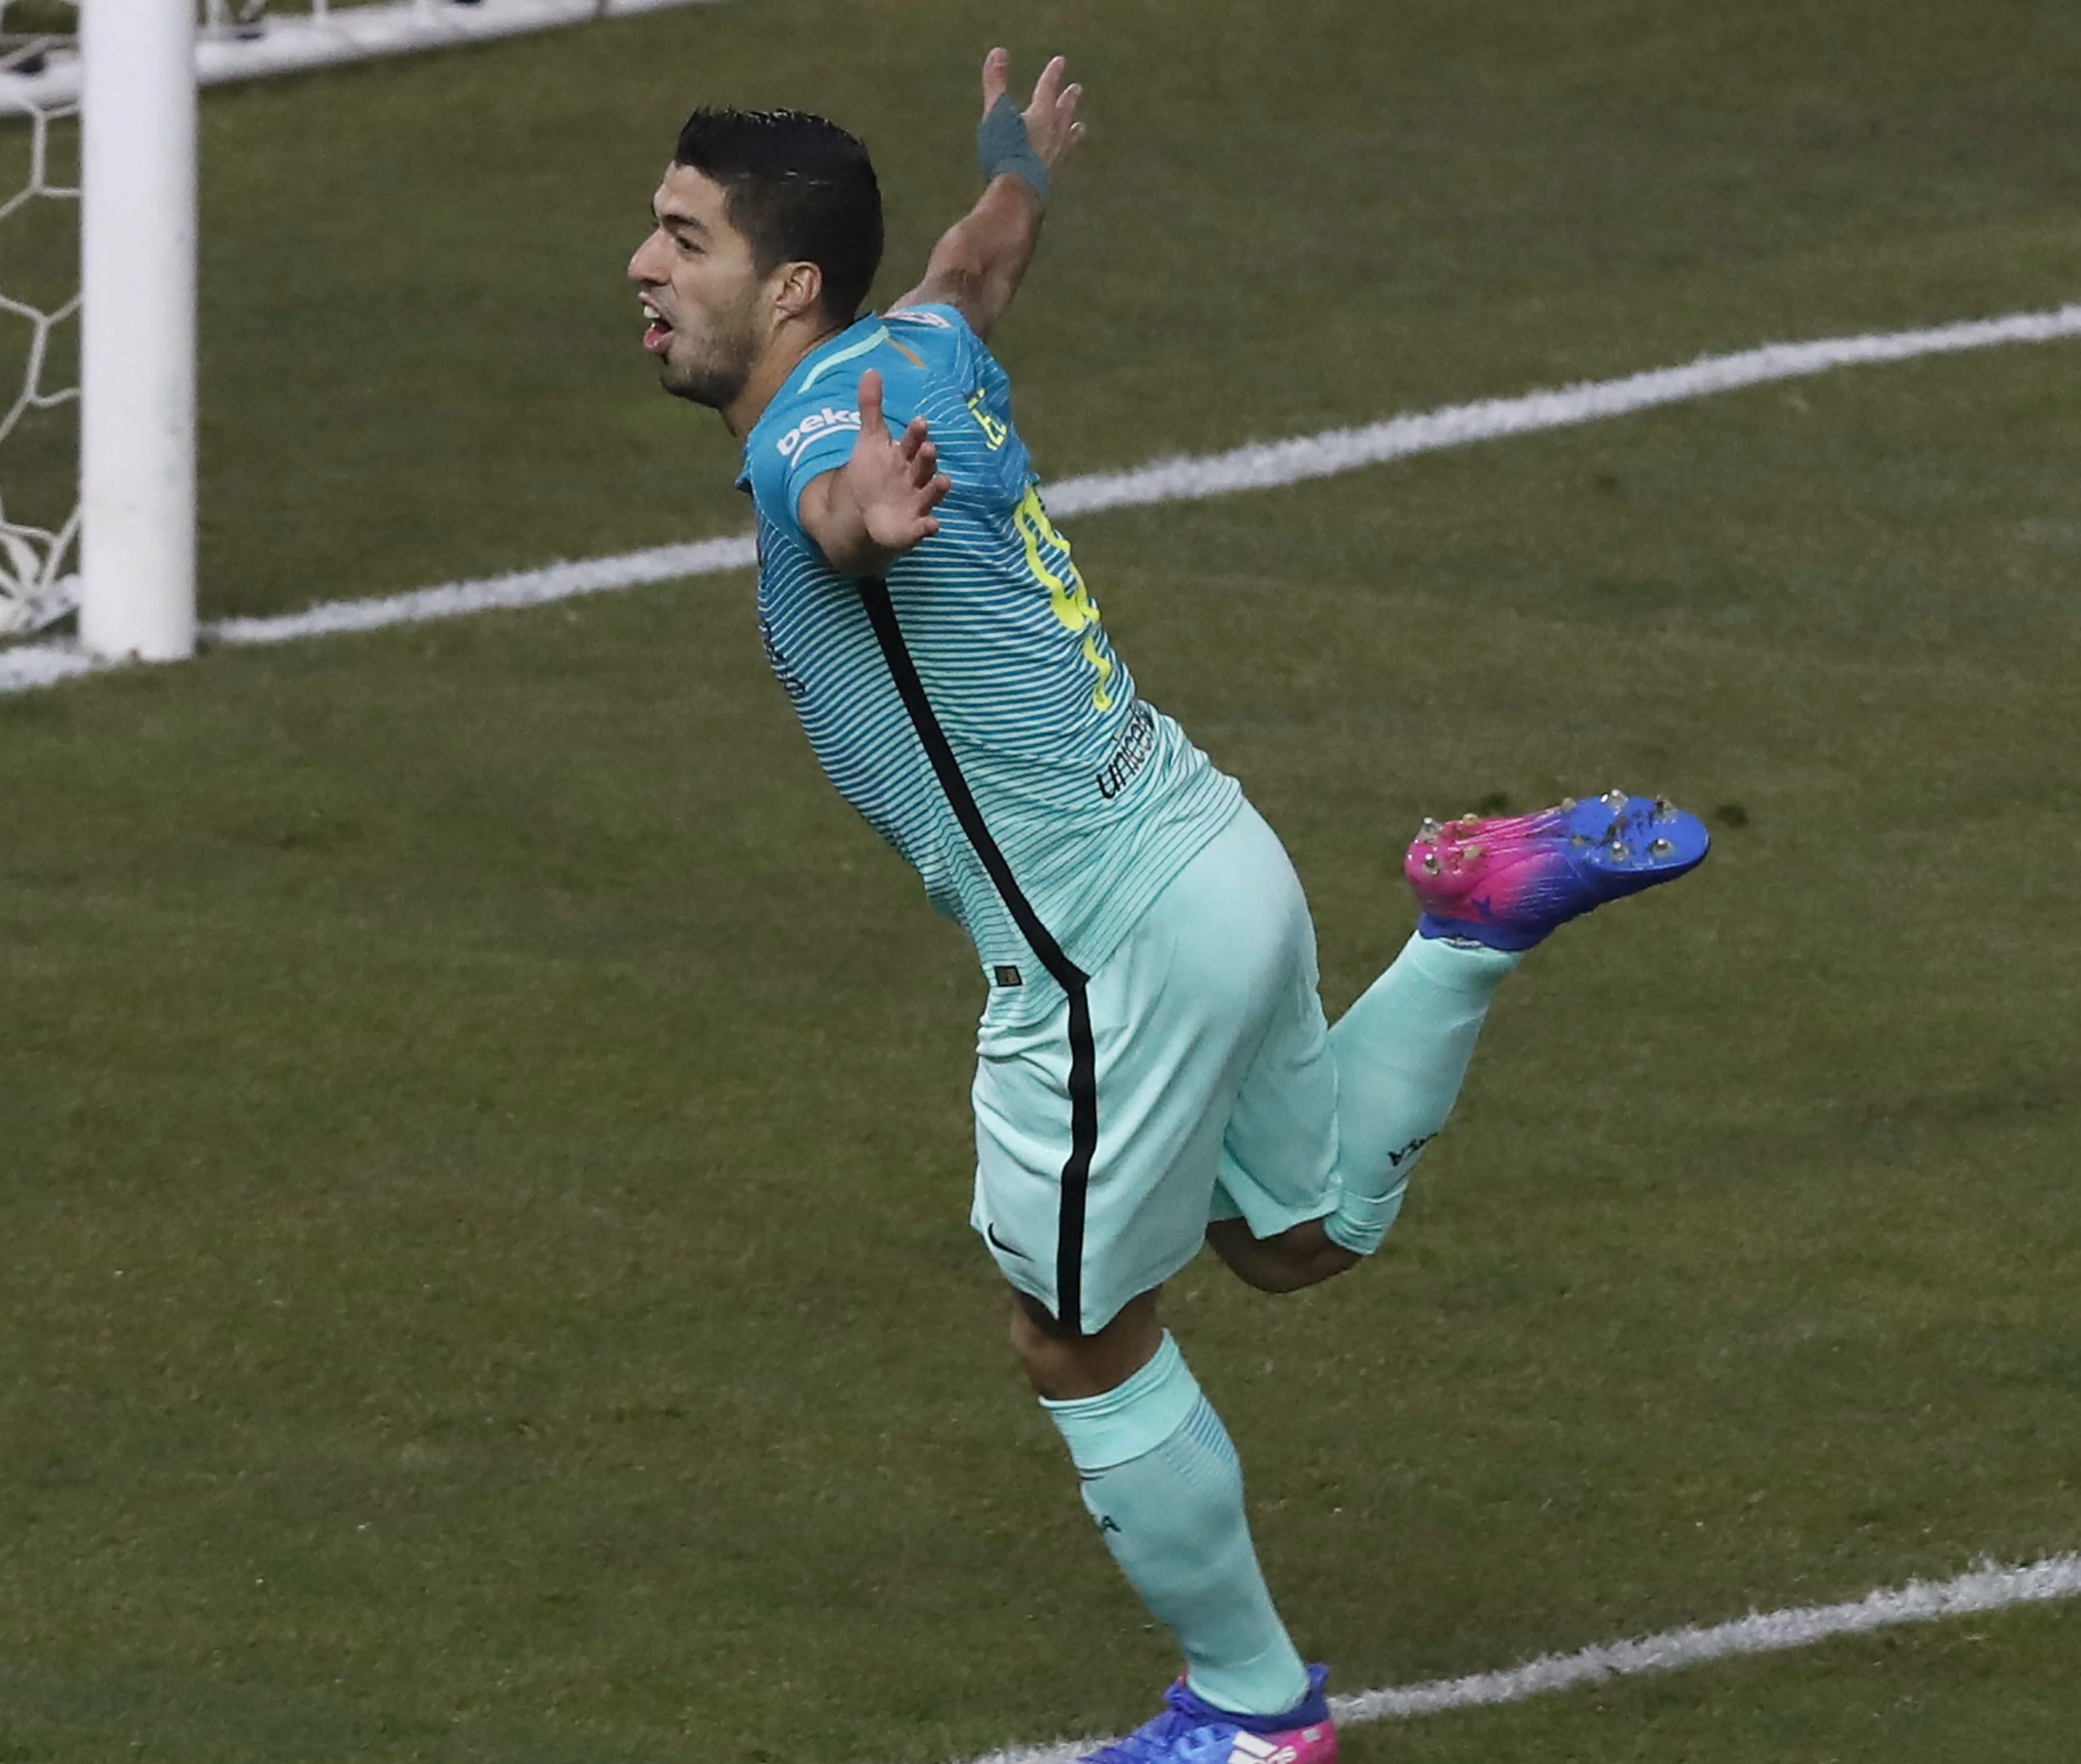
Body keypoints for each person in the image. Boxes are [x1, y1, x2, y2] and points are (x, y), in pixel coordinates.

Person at [624, 50, 1705, 1763]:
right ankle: (1477, 920)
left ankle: (1260, 1716)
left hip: (1100, 946)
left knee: (1073, 1334)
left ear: (792, 284)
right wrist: (1016, 163)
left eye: (686, 238)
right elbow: (976, 262)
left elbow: (829, 511)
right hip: (1213, 849)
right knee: (1295, 1237)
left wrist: (864, 525)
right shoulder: (919, 344)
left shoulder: (820, 435)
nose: (646, 266)